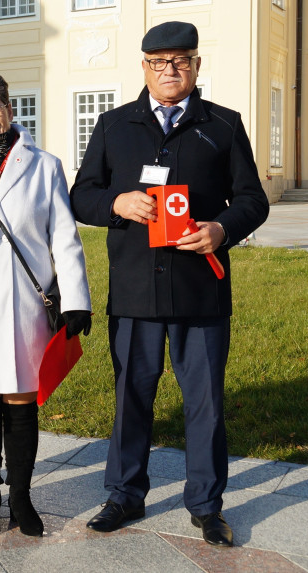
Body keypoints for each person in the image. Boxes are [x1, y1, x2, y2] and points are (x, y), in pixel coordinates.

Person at [70, 21, 269, 547]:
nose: (169, 70)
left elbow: (253, 199)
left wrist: (222, 228)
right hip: (135, 290)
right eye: (158, 61)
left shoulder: (223, 125)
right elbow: (81, 194)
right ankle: (124, 495)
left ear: (197, 65)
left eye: (180, 60)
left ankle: (206, 505)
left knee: (204, 401)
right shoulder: (114, 126)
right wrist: (116, 203)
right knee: (131, 396)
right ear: (144, 67)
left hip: (199, 291)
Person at [0, 71, 93, 538]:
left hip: (28, 301)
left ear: (9, 109)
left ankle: (21, 496)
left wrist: (77, 300)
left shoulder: (44, 165)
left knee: (23, 400)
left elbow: (64, 237)